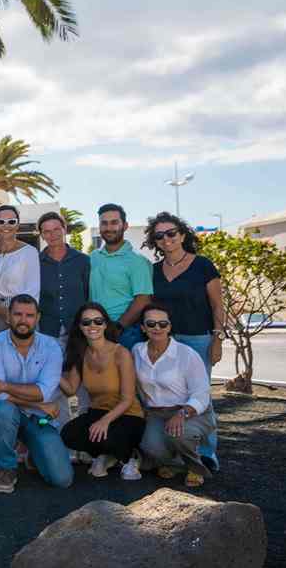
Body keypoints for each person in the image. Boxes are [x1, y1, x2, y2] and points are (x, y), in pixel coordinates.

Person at [144, 212, 224, 471]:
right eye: (159, 236)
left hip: (198, 339)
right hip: (164, 340)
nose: (166, 239)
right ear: (154, 241)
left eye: (171, 233)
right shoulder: (154, 271)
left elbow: (217, 306)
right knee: (170, 393)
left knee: (200, 395)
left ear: (182, 234)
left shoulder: (203, 265)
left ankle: (207, 452)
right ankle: (177, 452)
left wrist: (217, 338)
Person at [0, 295, 74, 493]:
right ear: (8, 316)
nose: (23, 320)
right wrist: (38, 404)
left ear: (38, 317)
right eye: (17, 314)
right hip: (13, 412)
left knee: (62, 478)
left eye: (29, 315)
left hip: (39, 419)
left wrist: (6, 387)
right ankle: (7, 468)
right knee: (2, 410)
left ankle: (32, 449)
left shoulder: (51, 347)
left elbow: (43, 392)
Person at [133, 301, 217, 488]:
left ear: (170, 326)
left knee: (178, 434)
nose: (157, 328)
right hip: (157, 413)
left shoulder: (186, 354)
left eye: (163, 324)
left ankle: (196, 467)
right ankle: (177, 463)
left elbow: (202, 393)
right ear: (143, 327)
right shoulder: (137, 351)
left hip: (191, 412)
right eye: (151, 324)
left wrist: (182, 414)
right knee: (149, 447)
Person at [57, 303, 146, 480]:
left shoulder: (121, 353)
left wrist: (104, 421)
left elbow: (128, 399)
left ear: (106, 324)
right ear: (80, 327)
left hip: (128, 414)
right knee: (68, 434)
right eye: (86, 322)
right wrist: (51, 371)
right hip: (98, 411)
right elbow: (70, 390)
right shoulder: (81, 353)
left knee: (105, 437)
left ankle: (131, 455)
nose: (93, 326)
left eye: (98, 321)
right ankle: (109, 455)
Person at [90, 203, 153, 349]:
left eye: (114, 223)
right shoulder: (93, 257)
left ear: (125, 226)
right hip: (96, 329)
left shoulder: (137, 261)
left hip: (126, 332)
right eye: (104, 223)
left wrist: (118, 327)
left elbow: (143, 299)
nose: (109, 228)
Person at [37, 212, 91, 347]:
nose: (52, 234)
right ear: (42, 235)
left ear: (64, 229)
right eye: (47, 231)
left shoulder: (83, 260)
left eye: (56, 229)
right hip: (47, 331)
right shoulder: (35, 262)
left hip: (78, 330)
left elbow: (89, 294)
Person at [0, 205, 40, 336]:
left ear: (17, 225)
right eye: (0, 222)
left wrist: (17, 315)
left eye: (11, 222)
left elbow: (33, 290)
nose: (6, 226)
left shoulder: (29, 252)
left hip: (22, 313)